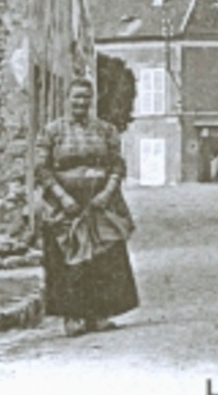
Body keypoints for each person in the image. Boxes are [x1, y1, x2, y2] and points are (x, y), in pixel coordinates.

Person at [33, 77, 140, 336]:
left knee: (105, 256)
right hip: (65, 205)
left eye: (85, 97)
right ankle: (73, 317)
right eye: (76, 97)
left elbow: (117, 165)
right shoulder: (52, 131)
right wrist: (62, 197)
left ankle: (101, 315)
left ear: (92, 101)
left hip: (100, 202)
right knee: (68, 259)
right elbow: (41, 168)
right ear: (67, 99)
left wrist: (107, 192)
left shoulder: (106, 130)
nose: (81, 102)